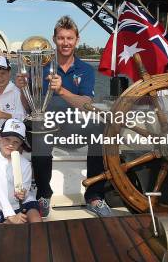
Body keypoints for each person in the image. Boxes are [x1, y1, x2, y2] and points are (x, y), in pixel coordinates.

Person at [16, 15, 110, 218]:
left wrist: (61, 91)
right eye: (61, 38)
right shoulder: (40, 66)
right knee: (40, 131)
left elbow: (86, 106)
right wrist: (23, 89)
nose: (65, 43)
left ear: (76, 39)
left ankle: (95, 195)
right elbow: (28, 107)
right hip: (44, 125)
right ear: (54, 39)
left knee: (101, 130)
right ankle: (43, 195)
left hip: (70, 125)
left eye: (69, 38)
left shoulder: (85, 70)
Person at [0, 118, 42, 224]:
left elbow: (26, 188)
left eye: (16, 142)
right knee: (9, 229)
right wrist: (10, 215)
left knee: (36, 222)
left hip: (22, 203)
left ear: (21, 143)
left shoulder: (24, 163)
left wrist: (23, 193)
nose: (11, 144)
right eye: (7, 139)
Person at [0, 56, 26, 147]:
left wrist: (4, 115)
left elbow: (23, 118)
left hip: (13, 133)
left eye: (3, 73)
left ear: (9, 72)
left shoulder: (17, 92)